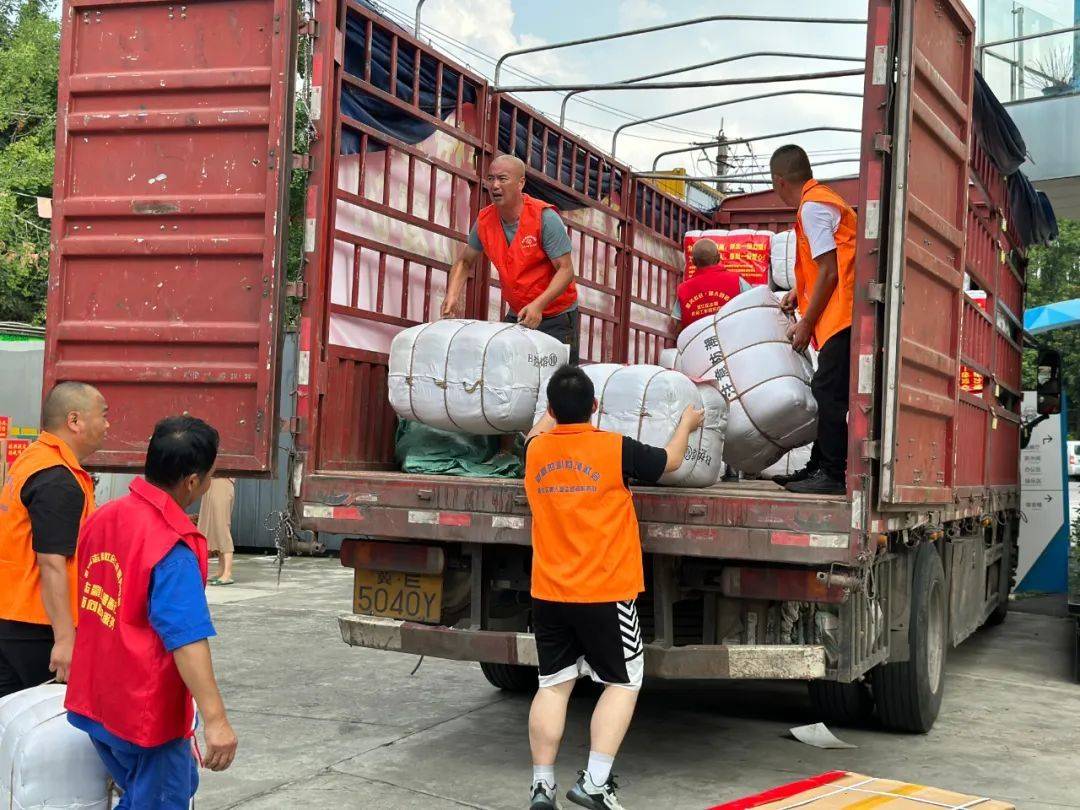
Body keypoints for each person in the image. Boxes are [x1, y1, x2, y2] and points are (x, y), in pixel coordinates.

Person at [524, 365, 704, 810]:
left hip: (550, 592)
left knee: (553, 684)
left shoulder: (534, 451)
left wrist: (551, 412)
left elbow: (538, 430)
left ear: (550, 410)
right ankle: (595, 783)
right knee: (623, 683)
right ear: (595, 407)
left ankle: (542, 786)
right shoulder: (614, 448)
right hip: (605, 591)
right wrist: (686, 424)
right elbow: (670, 462)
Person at [65, 415, 238, 809]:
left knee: (156, 790)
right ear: (192, 482)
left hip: (98, 698)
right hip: (144, 715)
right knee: (161, 799)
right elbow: (187, 640)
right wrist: (217, 721)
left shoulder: (104, 516)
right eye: (211, 475)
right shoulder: (170, 546)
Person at [0, 381, 108, 697]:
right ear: (74, 421)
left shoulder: (33, 459)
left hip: (12, 616)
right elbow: (52, 563)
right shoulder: (57, 479)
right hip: (37, 628)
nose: (107, 425)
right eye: (103, 415)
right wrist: (64, 640)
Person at [769, 144, 857, 496]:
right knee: (827, 389)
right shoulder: (820, 200)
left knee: (827, 392)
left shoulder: (812, 207)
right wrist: (797, 291)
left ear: (779, 181)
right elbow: (824, 265)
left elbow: (830, 271)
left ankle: (832, 473)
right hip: (842, 311)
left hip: (843, 313)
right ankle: (819, 466)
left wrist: (806, 322)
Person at [441, 153, 580, 364]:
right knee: (507, 371)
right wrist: (452, 295)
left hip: (557, 316)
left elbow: (566, 270)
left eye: (503, 179)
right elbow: (464, 261)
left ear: (520, 183)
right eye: (491, 178)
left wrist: (539, 305)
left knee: (560, 380)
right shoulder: (485, 221)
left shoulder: (544, 218)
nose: (495, 185)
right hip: (520, 314)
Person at [671, 238, 752, 330]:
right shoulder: (736, 280)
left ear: (693, 262)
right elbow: (755, 305)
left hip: (699, 338)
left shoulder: (684, 289)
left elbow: (677, 326)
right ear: (718, 258)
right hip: (734, 335)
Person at [198, 476, 236, 585]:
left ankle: (227, 573)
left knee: (222, 526)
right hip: (210, 483)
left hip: (222, 482)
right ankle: (221, 570)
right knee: (212, 527)